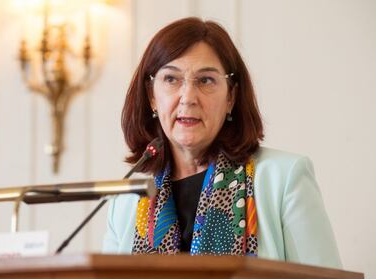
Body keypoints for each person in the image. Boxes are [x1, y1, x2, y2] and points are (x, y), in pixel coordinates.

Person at [102, 17, 342, 268]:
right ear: (152, 96)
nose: (188, 98)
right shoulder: (127, 198)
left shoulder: (284, 179)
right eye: (172, 79)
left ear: (231, 96)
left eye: (206, 80)